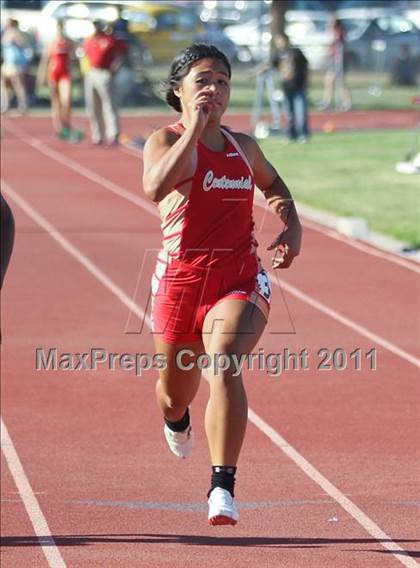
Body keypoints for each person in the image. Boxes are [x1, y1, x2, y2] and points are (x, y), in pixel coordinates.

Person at [142, 44, 302, 526]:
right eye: (203, 80)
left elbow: (274, 186)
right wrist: (193, 128)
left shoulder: (243, 147)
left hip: (238, 279)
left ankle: (222, 488)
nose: (215, 89)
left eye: (223, 81)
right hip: (179, 282)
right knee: (174, 393)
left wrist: (291, 225)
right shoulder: (163, 141)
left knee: (225, 362)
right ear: (179, 91)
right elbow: (153, 188)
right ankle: (176, 421)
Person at [36, 20, 82, 141]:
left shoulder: (69, 42)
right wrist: (41, 77)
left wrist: (78, 72)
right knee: (56, 102)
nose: (60, 30)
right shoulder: (52, 42)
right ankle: (59, 127)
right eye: (59, 28)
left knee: (66, 101)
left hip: (65, 74)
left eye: (62, 28)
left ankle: (66, 122)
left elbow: (75, 59)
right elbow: (45, 61)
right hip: (54, 73)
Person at [83, 20, 127, 145]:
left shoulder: (109, 40)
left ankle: (113, 134)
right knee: (93, 106)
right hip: (92, 72)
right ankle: (98, 135)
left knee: (109, 105)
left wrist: (116, 68)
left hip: (105, 73)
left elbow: (122, 54)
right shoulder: (89, 41)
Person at [271, 33, 310, 143]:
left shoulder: (296, 52)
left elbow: (306, 67)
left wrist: (306, 82)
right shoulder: (277, 54)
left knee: (301, 112)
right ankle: (290, 134)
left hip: (298, 86)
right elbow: (271, 65)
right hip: (286, 87)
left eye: (282, 40)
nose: (280, 43)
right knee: (289, 113)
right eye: (278, 41)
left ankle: (303, 134)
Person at [321, 16, 352, 111]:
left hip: (338, 60)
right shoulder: (331, 31)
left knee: (340, 82)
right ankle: (327, 102)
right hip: (333, 59)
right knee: (328, 81)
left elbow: (338, 42)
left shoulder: (339, 31)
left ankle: (347, 103)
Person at [1, 18, 29, 114]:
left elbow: (23, 44)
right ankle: (5, 104)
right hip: (7, 63)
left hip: (15, 63)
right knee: (3, 84)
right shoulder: (6, 33)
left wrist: (16, 41)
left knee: (18, 85)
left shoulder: (15, 33)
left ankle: (22, 106)